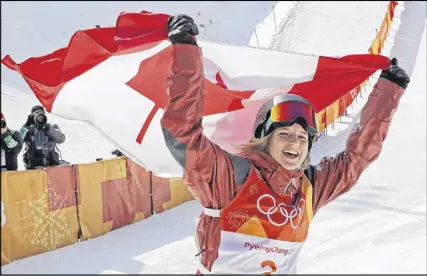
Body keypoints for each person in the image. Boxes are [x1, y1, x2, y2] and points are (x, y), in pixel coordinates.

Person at [160, 15, 410, 274]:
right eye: (285, 134)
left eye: (303, 137)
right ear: (265, 139)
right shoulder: (231, 177)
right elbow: (183, 133)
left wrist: (389, 90)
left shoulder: (308, 188)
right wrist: (186, 51)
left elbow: (357, 159)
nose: (295, 142)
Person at [20, 105, 67, 170]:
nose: (39, 117)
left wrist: (48, 129)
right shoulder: (28, 128)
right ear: (32, 116)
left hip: (51, 165)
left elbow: (62, 139)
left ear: (44, 115)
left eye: (41, 114)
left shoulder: (52, 127)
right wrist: (26, 125)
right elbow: (18, 141)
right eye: (36, 114)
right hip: (32, 166)